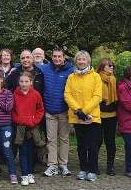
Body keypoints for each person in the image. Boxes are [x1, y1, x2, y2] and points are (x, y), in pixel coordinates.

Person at [64, 50, 102, 182]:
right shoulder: (71, 77)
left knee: (92, 145)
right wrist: (78, 110)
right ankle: (83, 169)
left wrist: (84, 111)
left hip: (92, 116)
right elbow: (67, 95)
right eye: (79, 59)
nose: (81, 61)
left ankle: (92, 170)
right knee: (81, 145)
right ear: (76, 61)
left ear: (88, 61)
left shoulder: (96, 76)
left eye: (83, 59)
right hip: (77, 116)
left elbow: (97, 96)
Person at [38, 47, 74, 177]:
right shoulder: (45, 68)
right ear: (51, 57)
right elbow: (31, 67)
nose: (57, 59)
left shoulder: (71, 70)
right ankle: (52, 165)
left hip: (64, 110)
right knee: (51, 140)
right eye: (55, 56)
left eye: (59, 56)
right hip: (49, 111)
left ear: (64, 57)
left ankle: (63, 164)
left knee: (64, 139)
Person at [12, 72, 45, 186]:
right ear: (18, 82)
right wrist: (19, 120)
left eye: (26, 81)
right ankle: (24, 175)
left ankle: (30, 173)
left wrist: (34, 121)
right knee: (23, 151)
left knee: (31, 151)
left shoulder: (36, 94)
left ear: (31, 82)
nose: (24, 84)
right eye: (21, 81)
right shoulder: (15, 94)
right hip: (20, 128)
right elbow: (12, 111)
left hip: (33, 127)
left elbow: (40, 110)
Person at [97, 58, 119, 176]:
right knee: (97, 141)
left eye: (112, 65)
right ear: (102, 67)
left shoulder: (114, 80)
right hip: (99, 114)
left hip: (112, 114)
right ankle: (94, 165)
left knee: (110, 142)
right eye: (109, 65)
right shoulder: (96, 78)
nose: (112, 67)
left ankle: (110, 166)